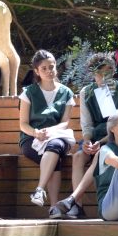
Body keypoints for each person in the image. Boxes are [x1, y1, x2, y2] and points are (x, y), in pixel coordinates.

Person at [61, 53, 118, 218]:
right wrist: (88, 142)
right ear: (93, 73)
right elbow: (87, 123)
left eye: (109, 70)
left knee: (99, 156)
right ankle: (76, 206)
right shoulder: (87, 92)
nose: (105, 75)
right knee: (78, 157)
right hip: (95, 138)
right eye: (101, 71)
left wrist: (103, 142)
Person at [19, 50, 76, 219]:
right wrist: (36, 133)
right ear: (36, 71)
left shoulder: (66, 92)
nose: (49, 71)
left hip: (58, 135)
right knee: (55, 158)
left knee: (56, 145)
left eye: (52, 67)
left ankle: (39, 190)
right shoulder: (28, 92)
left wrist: (51, 132)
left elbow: (65, 122)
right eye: (44, 68)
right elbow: (23, 124)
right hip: (32, 139)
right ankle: (53, 207)